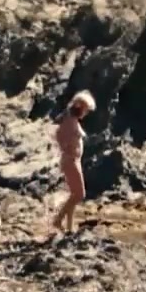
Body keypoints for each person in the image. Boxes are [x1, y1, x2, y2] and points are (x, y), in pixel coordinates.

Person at [49, 90, 93, 235]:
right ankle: (58, 220)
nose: (86, 113)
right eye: (86, 109)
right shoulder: (69, 121)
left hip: (74, 160)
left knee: (74, 194)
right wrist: (67, 149)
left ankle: (69, 227)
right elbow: (59, 135)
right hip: (71, 161)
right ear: (79, 106)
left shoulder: (72, 120)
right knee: (80, 194)